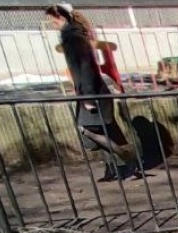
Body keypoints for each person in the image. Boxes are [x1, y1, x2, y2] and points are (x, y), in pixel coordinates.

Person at [45, 3, 138, 182]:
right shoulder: (72, 36)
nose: (51, 23)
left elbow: (86, 68)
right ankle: (114, 169)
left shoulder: (74, 38)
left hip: (94, 94)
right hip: (92, 93)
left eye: (52, 19)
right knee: (105, 132)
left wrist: (88, 97)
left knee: (88, 130)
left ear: (62, 18)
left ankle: (128, 160)